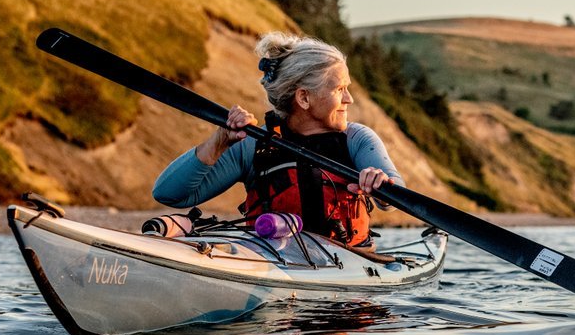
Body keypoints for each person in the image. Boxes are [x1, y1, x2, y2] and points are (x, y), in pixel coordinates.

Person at [152, 32, 402, 247]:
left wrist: (381, 186)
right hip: (272, 262)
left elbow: (393, 198)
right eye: (339, 90)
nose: (349, 99)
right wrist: (218, 142)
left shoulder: (356, 139)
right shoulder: (254, 146)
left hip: (351, 266)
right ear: (304, 98)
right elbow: (169, 195)